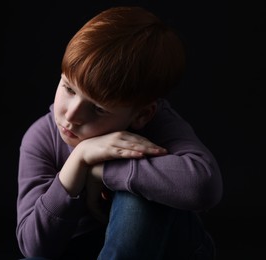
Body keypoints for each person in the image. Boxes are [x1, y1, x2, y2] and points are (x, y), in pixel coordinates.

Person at [16, 5, 223, 260]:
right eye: (69, 89)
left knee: (137, 189)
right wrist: (78, 160)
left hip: (172, 249)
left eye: (99, 109)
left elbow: (204, 187)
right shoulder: (41, 136)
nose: (71, 115)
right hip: (85, 248)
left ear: (141, 115)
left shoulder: (158, 123)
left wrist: (102, 170)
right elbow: (34, 247)